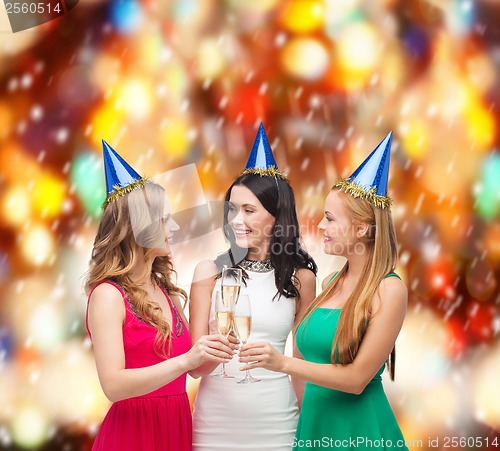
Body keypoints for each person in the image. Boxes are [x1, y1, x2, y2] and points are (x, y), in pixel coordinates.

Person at [239, 132, 409, 450]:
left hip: (361, 434)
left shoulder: (389, 289)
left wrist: (282, 363)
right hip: (315, 429)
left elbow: (356, 380)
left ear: (362, 229)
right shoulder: (329, 282)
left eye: (330, 219)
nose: (320, 226)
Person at [84, 140, 234, 451]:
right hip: (132, 436)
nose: (175, 226)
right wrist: (186, 361)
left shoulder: (166, 290)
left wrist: (215, 347)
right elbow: (113, 385)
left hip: (174, 428)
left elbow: (192, 369)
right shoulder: (108, 296)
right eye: (165, 220)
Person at [189, 124, 318, 451]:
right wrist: (215, 347)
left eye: (249, 210)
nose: (236, 220)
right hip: (214, 424)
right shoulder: (209, 273)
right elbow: (196, 368)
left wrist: (313, 425)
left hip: (277, 422)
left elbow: (300, 364)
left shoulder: (301, 277)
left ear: (277, 216)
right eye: (233, 210)